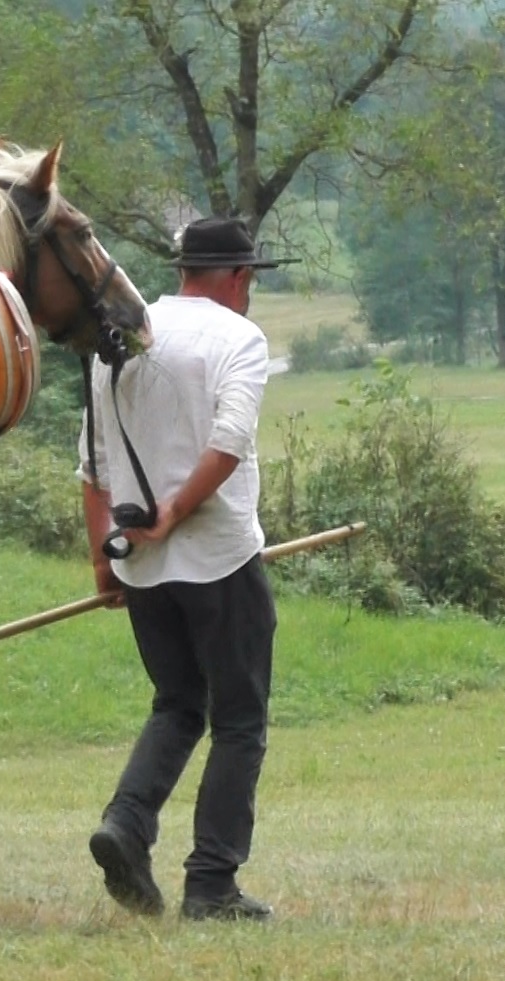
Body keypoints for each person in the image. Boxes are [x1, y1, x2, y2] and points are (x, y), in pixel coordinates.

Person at [77, 216, 290, 921]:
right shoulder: (239, 338)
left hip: (141, 566)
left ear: (181, 270)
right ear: (237, 277)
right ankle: (211, 883)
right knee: (237, 719)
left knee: (176, 702)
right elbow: (228, 442)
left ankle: (126, 825)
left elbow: (94, 464)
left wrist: (103, 557)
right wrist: (174, 511)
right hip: (220, 559)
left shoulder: (124, 335)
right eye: (250, 280)